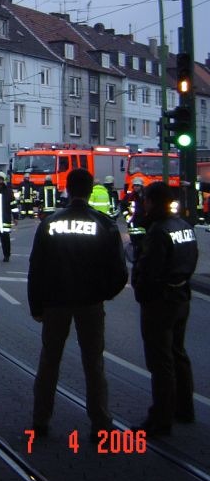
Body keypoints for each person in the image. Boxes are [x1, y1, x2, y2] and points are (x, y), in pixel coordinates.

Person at [28, 168, 128, 442]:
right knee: (93, 363)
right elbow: (120, 272)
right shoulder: (105, 224)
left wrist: (37, 306)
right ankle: (101, 423)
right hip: (89, 303)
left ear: (68, 190)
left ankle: (40, 420)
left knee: (49, 362)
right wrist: (102, 294)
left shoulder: (50, 223)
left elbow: (36, 268)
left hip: (55, 302)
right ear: (89, 190)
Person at [132, 181, 198, 437]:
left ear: (151, 201)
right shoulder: (184, 227)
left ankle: (161, 417)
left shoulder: (158, 232)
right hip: (181, 296)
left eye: (146, 200)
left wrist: (141, 289)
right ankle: (185, 408)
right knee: (178, 353)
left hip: (161, 302)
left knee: (160, 361)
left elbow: (149, 270)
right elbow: (192, 259)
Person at [121, 177, 147, 260]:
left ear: (141, 187)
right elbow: (123, 207)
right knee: (135, 243)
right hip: (133, 223)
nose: (136, 187)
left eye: (138, 186)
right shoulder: (129, 197)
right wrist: (127, 217)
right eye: (135, 186)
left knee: (143, 243)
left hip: (143, 223)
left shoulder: (145, 197)